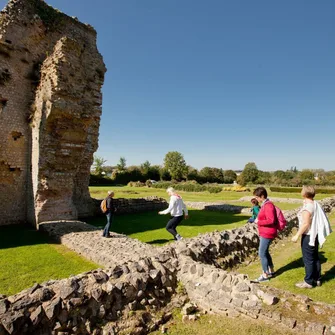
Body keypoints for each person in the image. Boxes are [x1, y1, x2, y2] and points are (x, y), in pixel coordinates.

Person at [291, 185, 332, 288]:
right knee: (315, 257)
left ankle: (308, 282)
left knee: (308, 259)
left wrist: (296, 235)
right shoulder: (314, 204)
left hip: (309, 235)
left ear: (304, 193)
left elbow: (305, 224)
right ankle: (317, 279)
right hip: (315, 234)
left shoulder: (307, 208)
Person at [253, 187, 277, 282]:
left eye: (257, 197)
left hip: (267, 233)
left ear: (262, 196)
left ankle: (265, 274)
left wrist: (258, 222)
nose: (256, 199)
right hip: (266, 232)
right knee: (265, 252)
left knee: (262, 253)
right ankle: (271, 270)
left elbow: (271, 220)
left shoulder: (268, 205)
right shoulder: (265, 204)